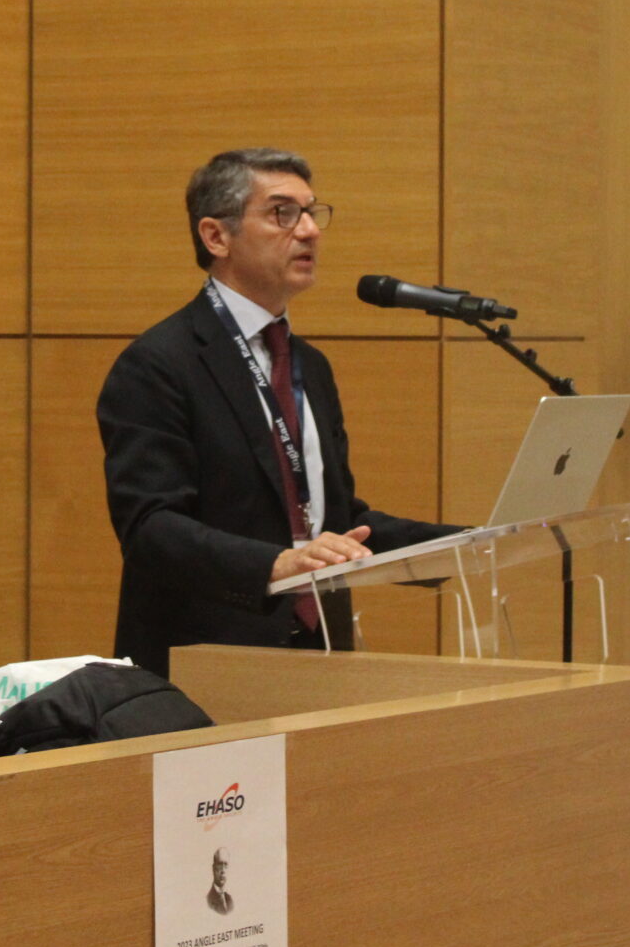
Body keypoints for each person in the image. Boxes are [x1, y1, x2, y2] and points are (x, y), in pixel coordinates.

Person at [96, 148, 459, 675]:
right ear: (216, 236)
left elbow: (335, 522)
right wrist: (276, 564)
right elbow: (152, 529)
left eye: (311, 212)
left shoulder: (310, 366)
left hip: (318, 655)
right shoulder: (158, 364)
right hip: (204, 665)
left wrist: (467, 544)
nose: (309, 231)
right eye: (282, 213)